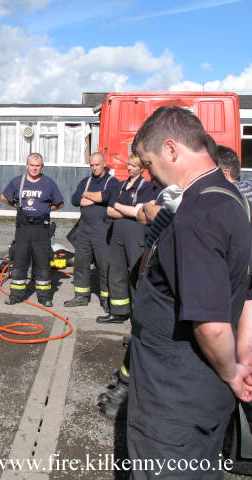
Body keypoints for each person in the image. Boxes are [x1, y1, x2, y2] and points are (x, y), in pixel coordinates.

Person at [127, 106, 252, 478]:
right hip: (203, 397)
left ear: (171, 149)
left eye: (148, 164)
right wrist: (243, 353)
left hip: (173, 403)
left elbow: (210, 325)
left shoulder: (196, 216)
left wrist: (232, 371)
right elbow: (247, 291)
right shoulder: (232, 199)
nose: (149, 177)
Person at [0, 153, 64, 307]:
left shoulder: (49, 183)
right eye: (32, 165)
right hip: (23, 228)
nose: (35, 168)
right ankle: (16, 295)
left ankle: (45, 297)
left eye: (38, 165)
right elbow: (4, 197)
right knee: (20, 262)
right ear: (27, 165)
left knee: (42, 264)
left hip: (41, 229)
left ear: (42, 167)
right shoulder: (17, 182)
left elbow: (60, 203)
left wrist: (45, 209)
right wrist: (16, 205)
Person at [97, 154, 154, 324]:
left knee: (135, 272)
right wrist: (128, 210)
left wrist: (120, 208)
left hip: (135, 233)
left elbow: (141, 213)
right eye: (128, 165)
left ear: (141, 168)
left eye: (133, 166)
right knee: (116, 271)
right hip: (117, 232)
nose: (129, 168)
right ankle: (118, 311)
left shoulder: (146, 187)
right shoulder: (121, 186)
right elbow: (109, 209)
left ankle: (139, 313)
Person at [64, 152, 119, 309]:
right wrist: (96, 198)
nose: (94, 168)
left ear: (104, 163)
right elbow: (75, 200)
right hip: (84, 229)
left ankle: (106, 299)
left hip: (102, 229)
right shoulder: (85, 181)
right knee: (81, 263)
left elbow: (107, 196)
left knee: (104, 265)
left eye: (97, 165)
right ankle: (81, 296)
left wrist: (87, 195)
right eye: (92, 165)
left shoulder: (112, 182)